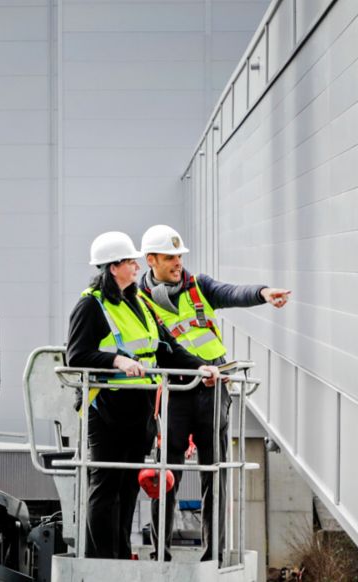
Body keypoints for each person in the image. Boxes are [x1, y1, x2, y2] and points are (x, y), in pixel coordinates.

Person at [137, 224, 290, 562]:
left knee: (214, 472)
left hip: (212, 389)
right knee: (166, 474)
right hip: (175, 391)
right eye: (170, 257)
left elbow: (231, 292)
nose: (178, 263)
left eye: (180, 256)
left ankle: (214, 554)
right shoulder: (139, 300)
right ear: (151, 260)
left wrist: (263, 293)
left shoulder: (199, 286)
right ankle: (160, 552)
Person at [66, 231, 220, 560]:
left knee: (128, 487)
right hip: (107, 409)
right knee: (106, 487)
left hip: (140, 410)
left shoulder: (138, 302)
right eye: (129, 261)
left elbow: (166, 349)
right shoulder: (90, 305)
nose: (136, 266)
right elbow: (76, 355)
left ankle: (120, 558)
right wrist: (115, 360)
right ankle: (103, 564)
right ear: (112, 268)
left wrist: (201, 368)